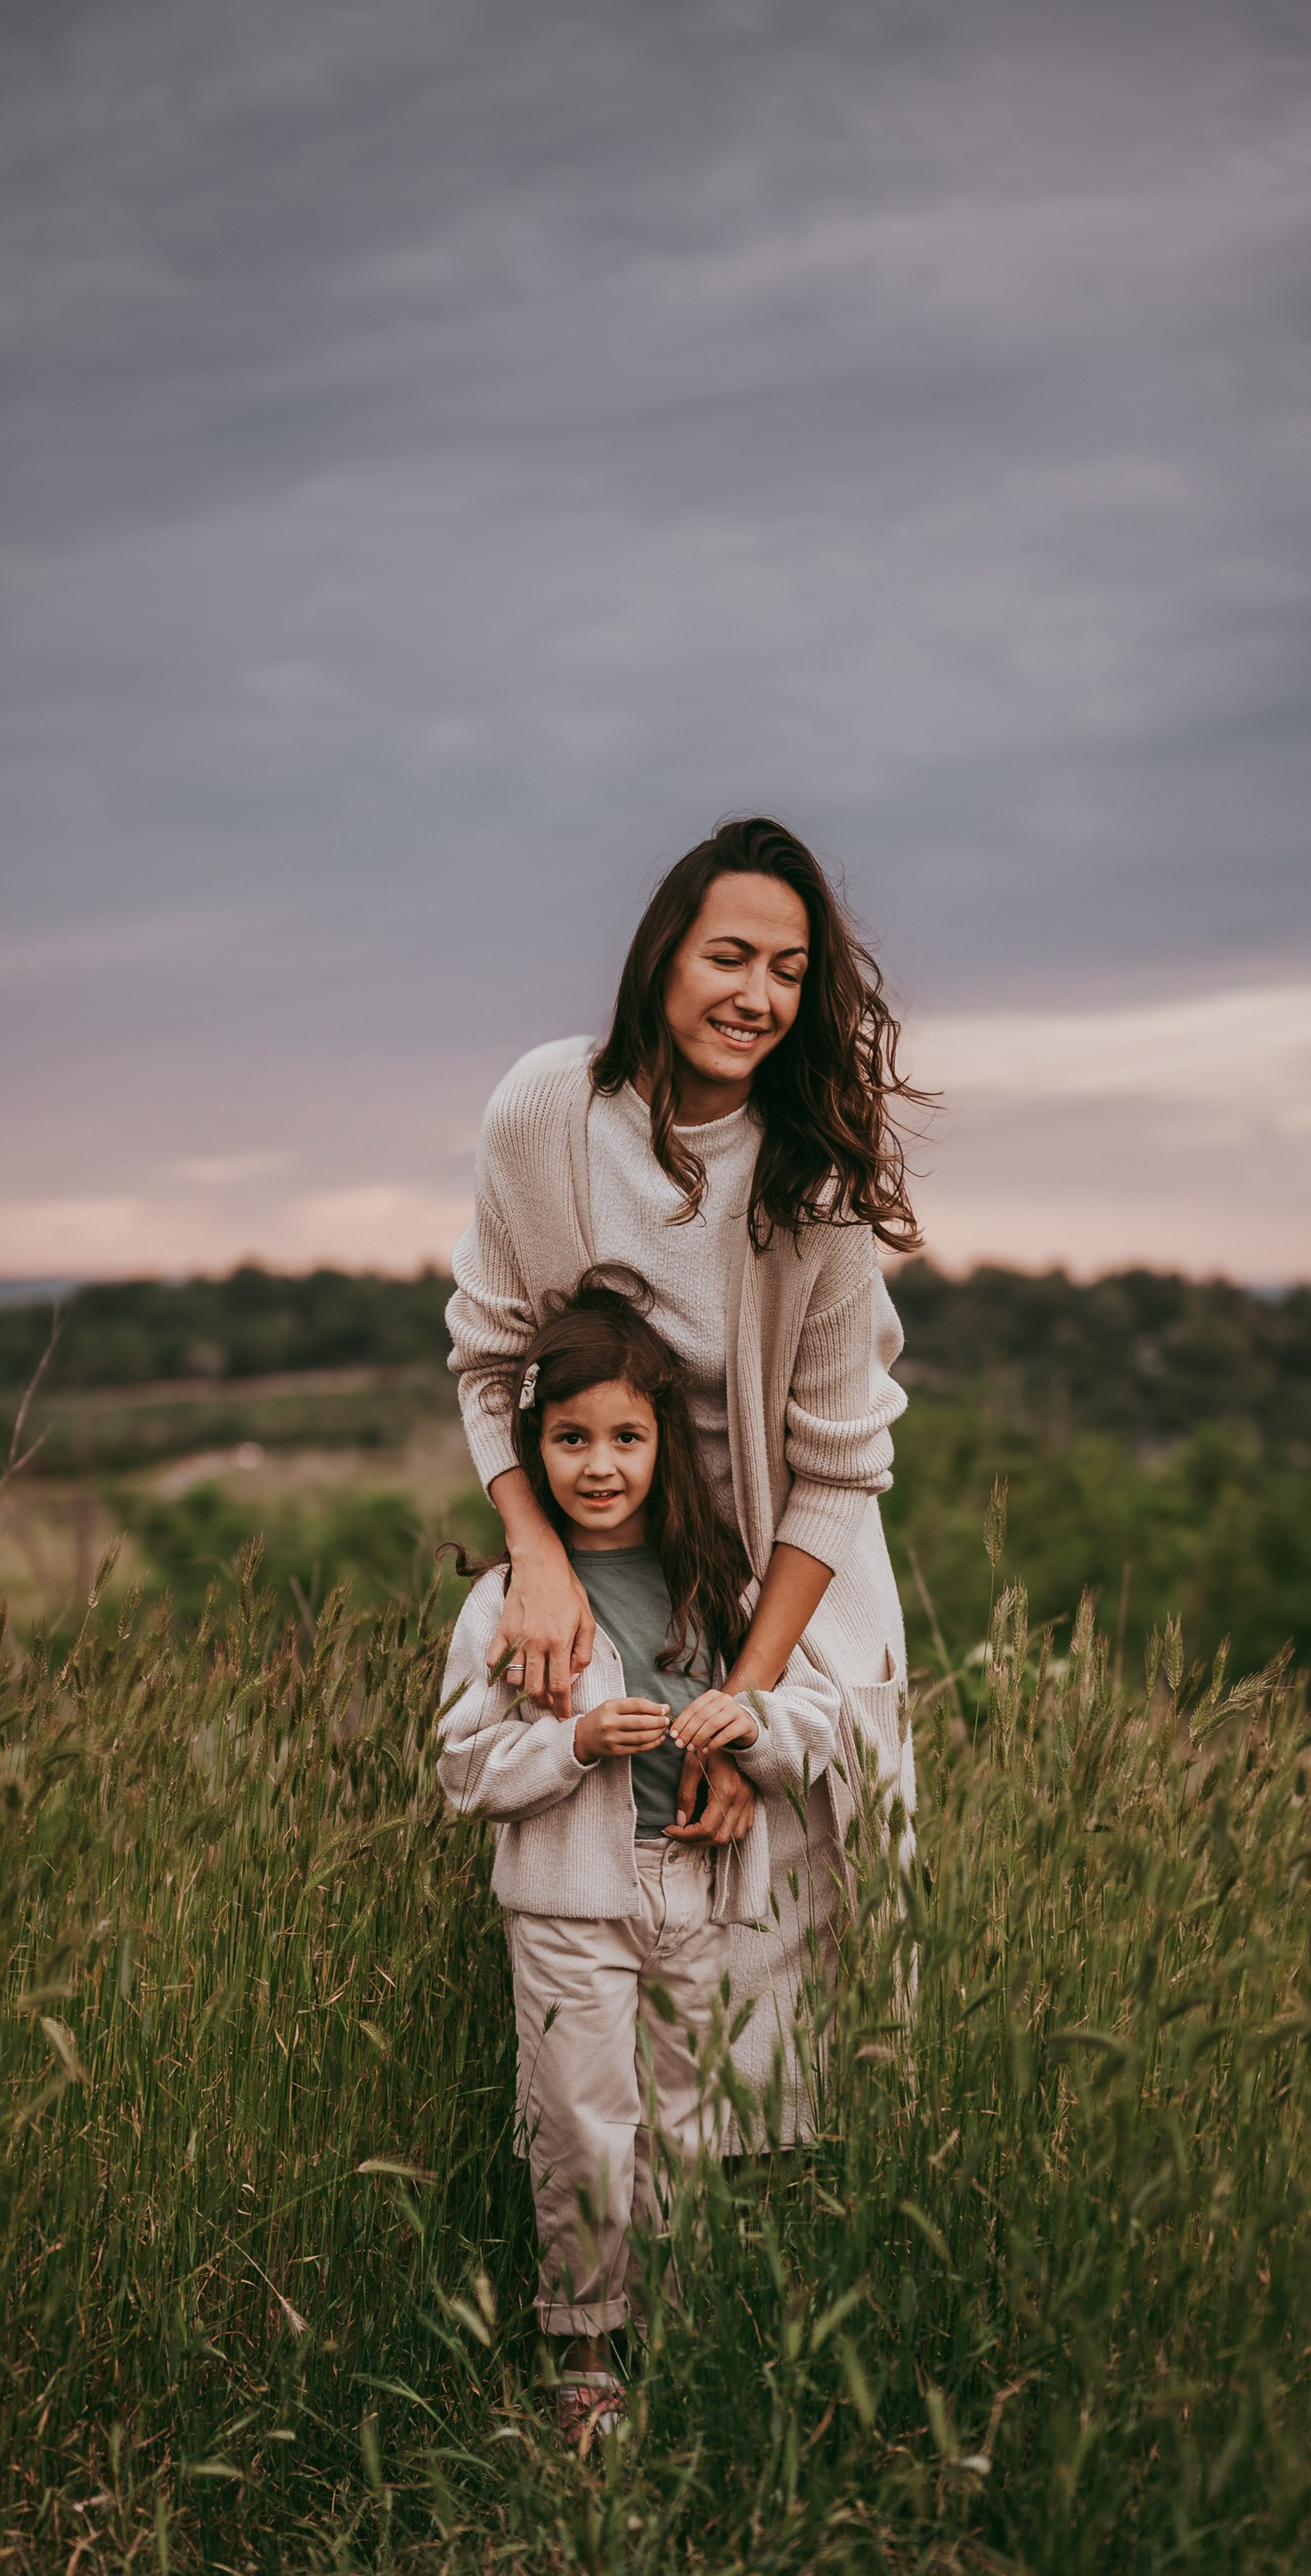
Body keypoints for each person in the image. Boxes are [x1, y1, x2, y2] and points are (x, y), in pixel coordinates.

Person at [446, 814, 920, 2133]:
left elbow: (835, 1475)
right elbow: (487, 1361)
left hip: (786, 1594)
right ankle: (600, 2297)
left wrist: (749, 1711)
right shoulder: (546, 1109)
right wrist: (537, 1557)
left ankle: (769, 2286)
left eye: (788, 969)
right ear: (663, 956)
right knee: (591, 1930)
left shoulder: (811, 1187)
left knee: (785, 1996)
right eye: (731, 956)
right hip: (598, 1558)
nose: (759, 996)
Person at [436, 1280, 840, 2448]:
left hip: (701, 1895)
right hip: (567, 1907)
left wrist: (750, 1733)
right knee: (581, 2130)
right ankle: (585, 2364)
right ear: (533, 1447)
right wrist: (568, 1745)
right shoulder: (508, 1604)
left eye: (626, 1436)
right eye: (571, 1438)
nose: (599, 1465)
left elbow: (818, 1729)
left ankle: (688, 2343)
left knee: (694, 2129)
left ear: (667, 1445)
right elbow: (464, 1769)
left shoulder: (727, 1589)